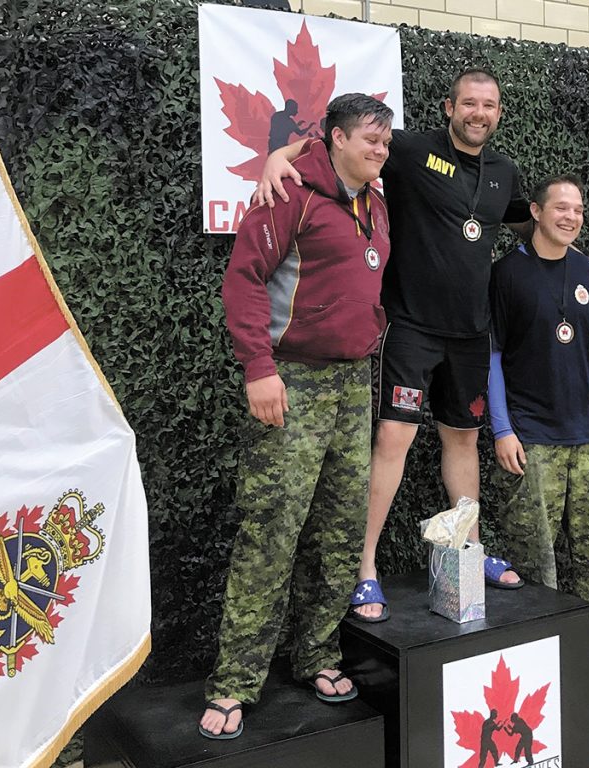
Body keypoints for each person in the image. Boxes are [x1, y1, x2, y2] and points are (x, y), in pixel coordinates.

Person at [258, 69, 531, 621]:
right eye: (471, 104)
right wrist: (274, 160)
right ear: (449, 107)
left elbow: (530, 226)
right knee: (394, 439)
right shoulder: (408, 149)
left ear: (498, 113)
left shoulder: (505, 172)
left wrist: (573, 260)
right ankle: (365, 567)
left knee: (462, 440)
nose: (480, 113)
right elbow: (320, 141)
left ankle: (469, 548)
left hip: (471, 335)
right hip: (411, 328)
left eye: (490, 106)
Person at [199, 93, 394, 740]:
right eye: (369, 138)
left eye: (386, 141)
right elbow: (244, 279)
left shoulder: (375, 199)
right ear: (334, 138)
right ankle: (234, 683)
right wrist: (258, 368)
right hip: (292, 382)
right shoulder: (290, 193)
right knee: (273, 529)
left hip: (352, 384)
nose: (380, 149)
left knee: (339, 531)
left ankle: (316, 655)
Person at [488, 174, 589, 679]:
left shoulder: (586, 271)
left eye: (577, 209)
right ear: (536, 212)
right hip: (532, 439)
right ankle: (541, 662)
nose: (570, 217)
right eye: (560, 207)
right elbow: (489, 356)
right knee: (535, 557)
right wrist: (501, 429)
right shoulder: (506, 275)